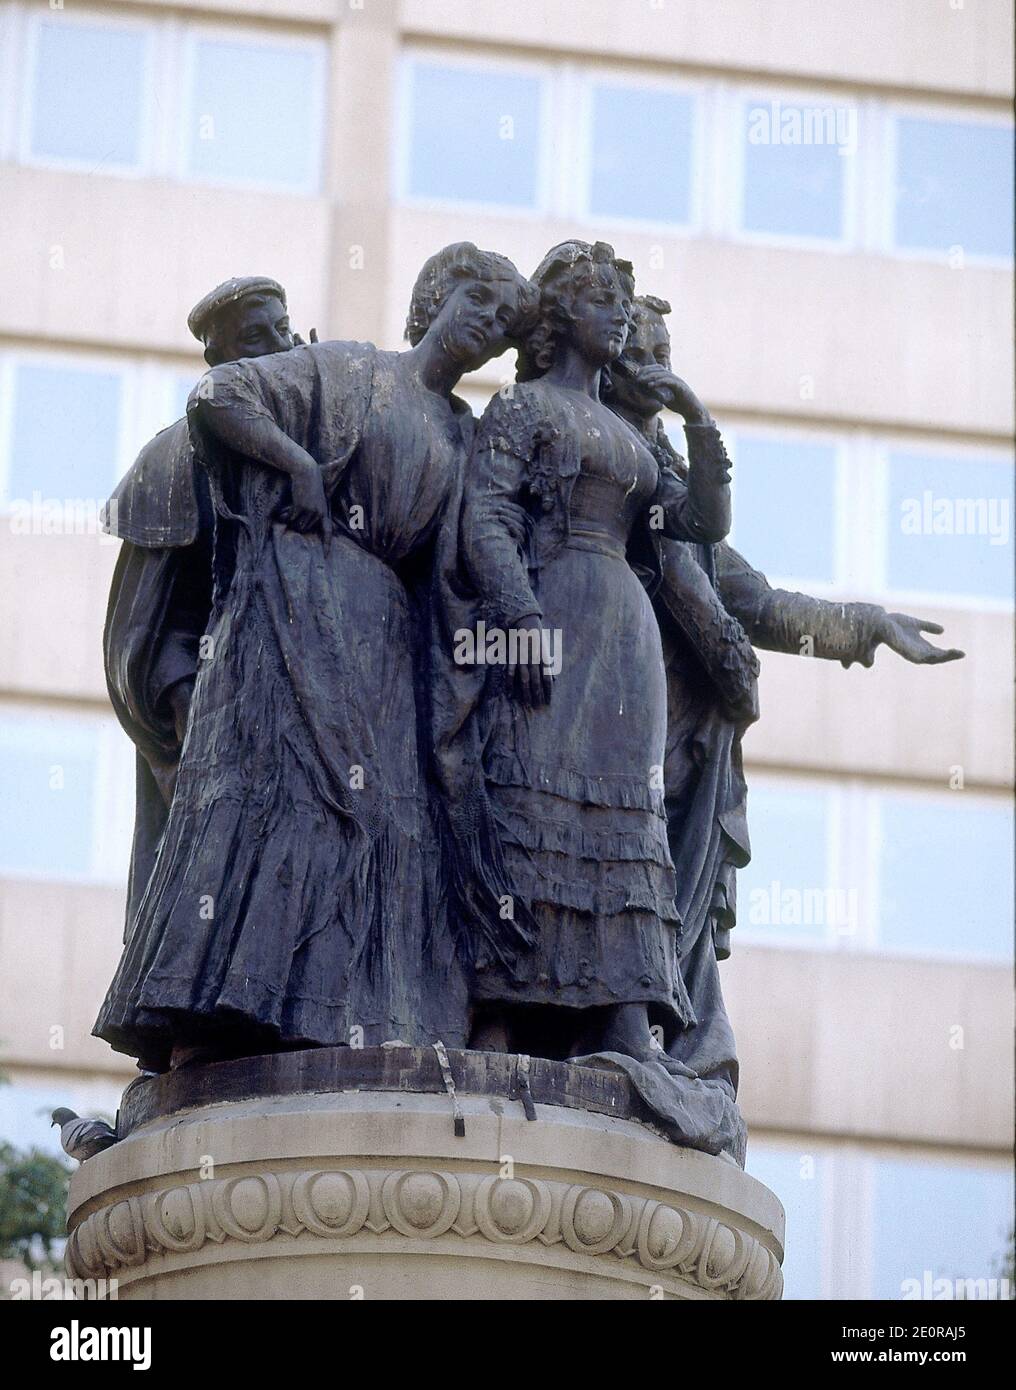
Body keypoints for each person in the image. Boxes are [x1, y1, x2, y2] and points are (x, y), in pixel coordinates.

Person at [93, 244, 537, 1072]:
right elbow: (220, 397)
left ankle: (365, 1014)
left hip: (388, 642)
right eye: (476, 304)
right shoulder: (352, 370)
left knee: (381, 823)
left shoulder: (462, 432)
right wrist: (298, 464)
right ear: (436, 298)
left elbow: (464, 560)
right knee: (289, 804)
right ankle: (229, 1010)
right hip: (301, 609)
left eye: (502, 328)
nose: (485, 330)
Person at [606, 292, 964, 1090]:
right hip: (618, 720)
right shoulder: (599, 460)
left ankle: (686, 1056)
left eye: (668, 346)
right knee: (627, 882)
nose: (661, 363)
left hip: (694, 736)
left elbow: (756, 601)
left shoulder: (671, 475)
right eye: (646, 346)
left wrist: (863, 623)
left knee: (683, 912)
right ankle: (617, 1036)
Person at [442, 241, 735, 1072]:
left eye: (619, 299)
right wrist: (520, 615)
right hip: (551, 607)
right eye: (601, 299)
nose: (617, 314)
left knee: (624, 819)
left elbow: (700, 523)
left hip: (623, 631)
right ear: (562, 314)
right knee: (527, 802)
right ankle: (500, 1006)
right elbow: (487, 517)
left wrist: (694, 414)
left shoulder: (628, 434)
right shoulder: (523, 408)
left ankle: (619, 1014)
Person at [102, 277, 305, 934]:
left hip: (301, 709)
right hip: (208, 709)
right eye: (254, 339)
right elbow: (145, 630)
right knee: (208, 886)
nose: (276, 348)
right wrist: (189, 707)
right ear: (218, 360)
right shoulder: (177, 456)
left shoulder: (315, 445)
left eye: (281, 330)